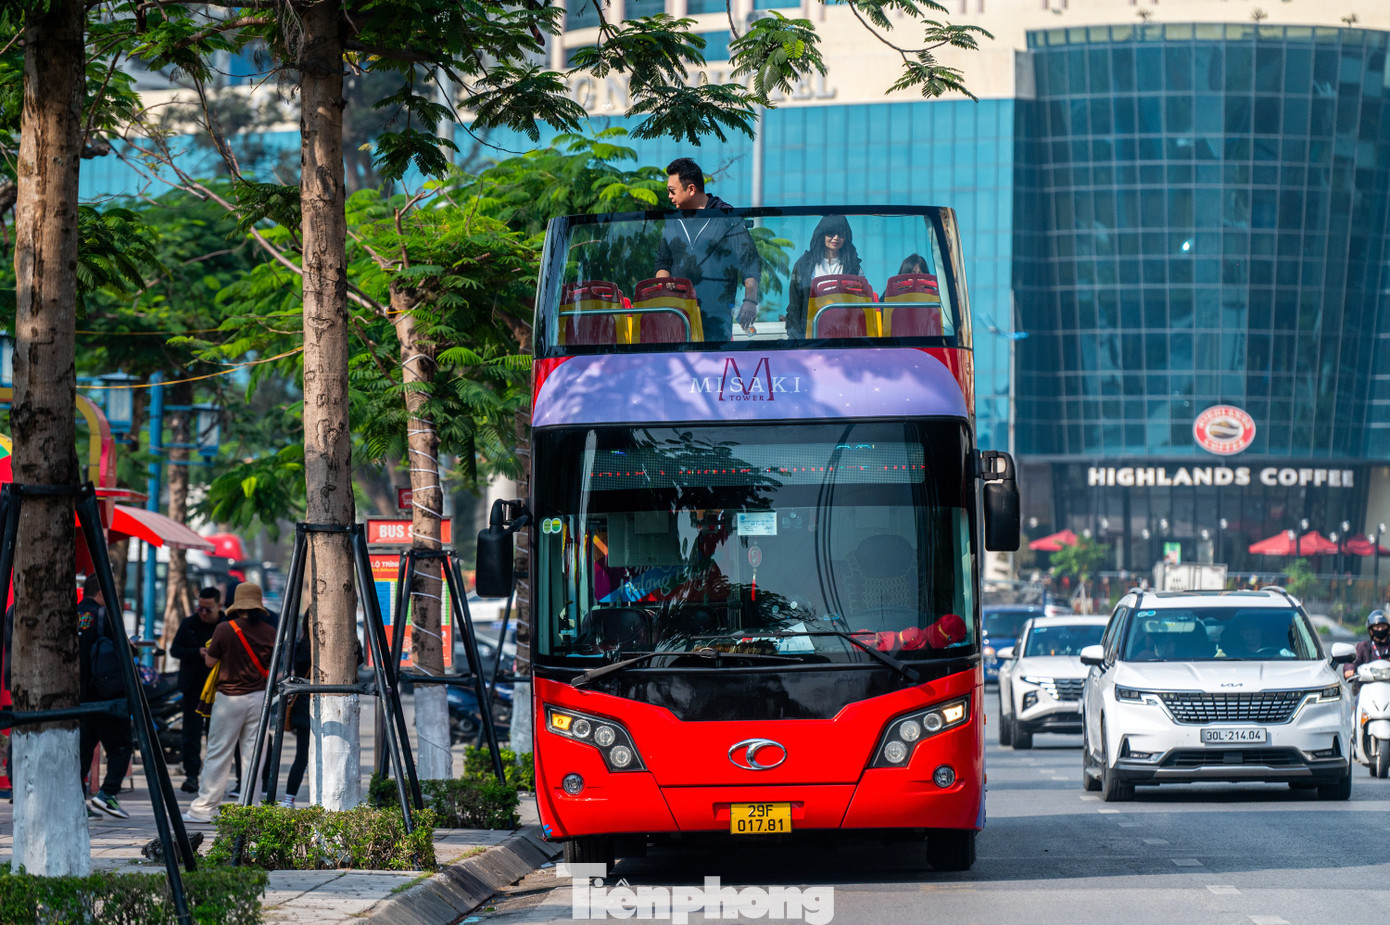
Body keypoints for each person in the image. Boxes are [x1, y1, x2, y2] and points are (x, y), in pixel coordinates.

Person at [183, 583, 275, 823]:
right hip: (260, 699)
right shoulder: (270, 631)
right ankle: (250, 807)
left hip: (230, 699)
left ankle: (204, 808)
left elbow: (210, 663)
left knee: (219, 752)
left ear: (237, 605)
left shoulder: (225, 628)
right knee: (254, 755)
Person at [654, 157, 760, 342]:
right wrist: (665, 284)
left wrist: (750, 301)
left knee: (713, 368)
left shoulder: (726, 217)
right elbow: (662, 262)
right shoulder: (672, 222)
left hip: (716, 317)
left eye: (672, 191)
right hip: (678, 314)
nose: (669, 197)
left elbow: (749, 262)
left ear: (691, 189)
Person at [77, 575, 133, 819]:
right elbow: (125, 650)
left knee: (83, 750)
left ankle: (78, 801)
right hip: (107, 696)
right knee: (121, 747)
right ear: (102, 591)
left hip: (78, 697)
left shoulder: (72, 613)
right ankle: (107, 794)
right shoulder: (104, 616)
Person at [170, 587, 227, 794]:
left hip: (218, 687)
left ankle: (213, 778)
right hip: (193, 686)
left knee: (217, 734)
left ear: (219, 606)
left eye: (207, 609)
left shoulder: (226, 625)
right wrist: (197, 652)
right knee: (191, 734)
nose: (202, 613)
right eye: (200, 608)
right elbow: (175, 649)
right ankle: (191, 775)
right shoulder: (189, 623)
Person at [784, 214, 864, 340]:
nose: (836, 238)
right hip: (810, 334)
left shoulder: (854, 267)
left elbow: (860, 306)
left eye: (841, 235)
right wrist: (796, 340)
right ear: (821, 235)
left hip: (844, 336)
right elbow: (795, 305)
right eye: (831, 234)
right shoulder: (804, 264)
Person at [281, 628, 313, 808]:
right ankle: (289, 799)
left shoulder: (300, 646)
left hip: (302, 704)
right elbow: (360, 659)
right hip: (321, 703)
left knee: (301, 756)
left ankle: (288, 799)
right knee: (307, 756)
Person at [1344, 609, 1390, 680]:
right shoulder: (1362, 646)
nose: (1380, 629)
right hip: (1366, 686)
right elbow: (1354, 661)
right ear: (1371, 630)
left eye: (1383, 626)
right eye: (1377, 627)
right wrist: (1350, 669)